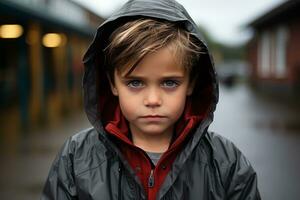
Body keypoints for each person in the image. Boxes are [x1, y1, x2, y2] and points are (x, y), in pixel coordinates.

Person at [41, 0, 261, 199]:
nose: (153, 100)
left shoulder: (226, 163)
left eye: (169, 83)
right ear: (113, 84)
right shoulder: (75, 158)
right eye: (135, 83)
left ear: (191, 83)